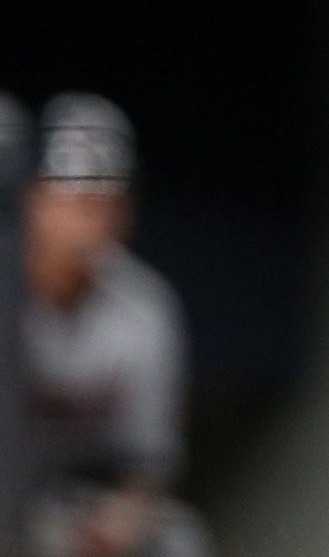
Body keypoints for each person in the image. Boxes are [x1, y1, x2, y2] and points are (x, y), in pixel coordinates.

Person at [23, 94, 212, 557]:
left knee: (179, 541)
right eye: (74, 191)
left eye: (107, 194)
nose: (91, 210)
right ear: (33, 197)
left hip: (84, 505)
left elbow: (150, 462)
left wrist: (122, 522)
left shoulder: (144, 308)